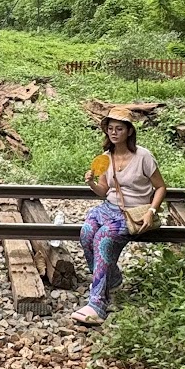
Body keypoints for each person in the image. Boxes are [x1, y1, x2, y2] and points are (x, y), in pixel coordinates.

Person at [72, 106, 167, 327]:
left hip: (132, 212)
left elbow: (161, 187)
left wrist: (151, 212)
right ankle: (111, 277)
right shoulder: (106, 157)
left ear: (129, 131)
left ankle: (96, 305)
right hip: (108, 208)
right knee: (86, 234)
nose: (114, 133)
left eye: (119, 129)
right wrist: (90, 183)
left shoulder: (143, 156)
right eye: (110, 129)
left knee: (102, 239)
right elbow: (104, 191)